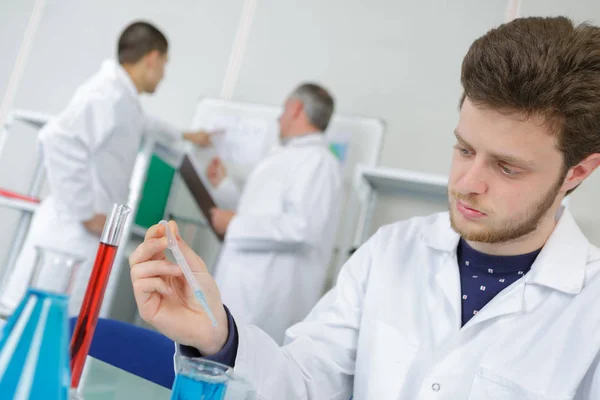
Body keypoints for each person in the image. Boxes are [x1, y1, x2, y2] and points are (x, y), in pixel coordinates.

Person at [129, 16, 600, 399]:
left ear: (577, 172)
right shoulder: (391, 251)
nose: (467, 183)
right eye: (463, 149)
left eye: (507, 167)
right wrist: (219, 338)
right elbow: (305, 385)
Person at [0, 21, 212, 316]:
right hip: (68, 236)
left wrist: (188, 136)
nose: (164, 74)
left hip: (81, 239)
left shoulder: (124, 99)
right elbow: (58, 139)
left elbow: (145, 124)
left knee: (62, 332)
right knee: (36, 331)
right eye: (164, 64)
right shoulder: (107, 93)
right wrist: (86, 213)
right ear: (151, 59)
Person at [202, 83, 343, 343]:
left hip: (263, 304)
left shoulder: (319, 162)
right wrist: (223, 186)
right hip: (241, 293)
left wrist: (235, 224)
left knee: (243, 371)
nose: (279, 118)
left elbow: (302, 228)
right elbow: (259, 212)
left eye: (283, 110)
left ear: (296, 109)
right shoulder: (286, 156)